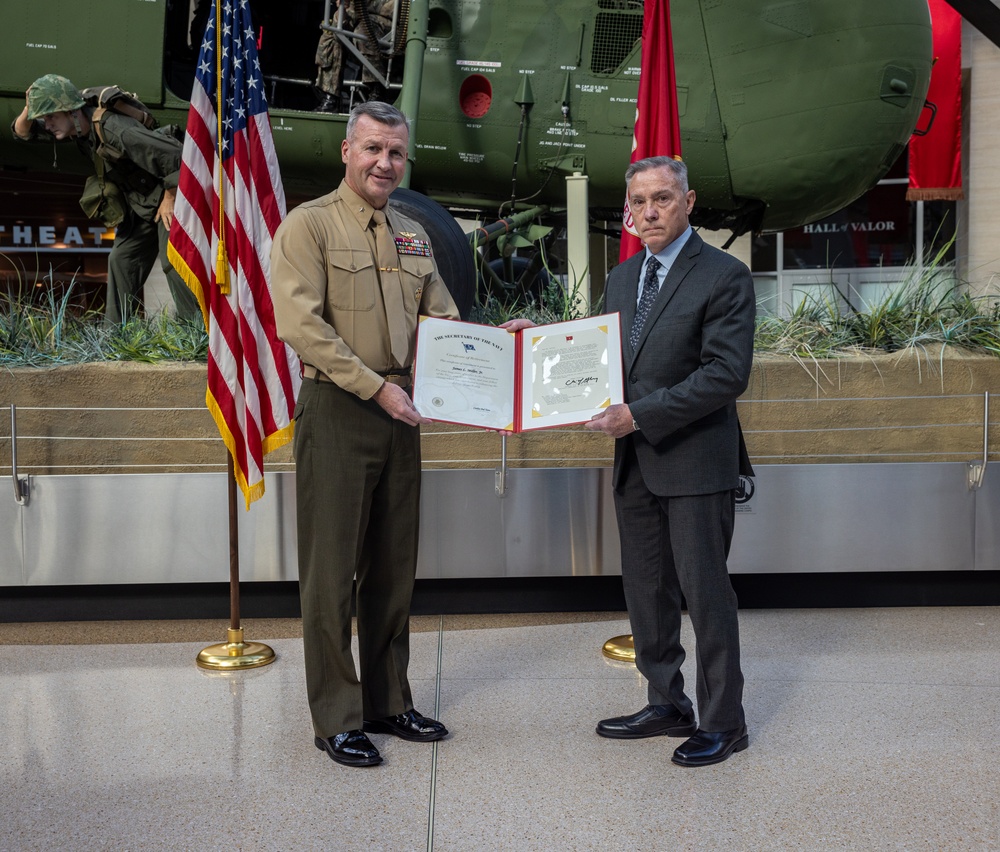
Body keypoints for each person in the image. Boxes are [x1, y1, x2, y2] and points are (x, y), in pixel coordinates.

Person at [505, 156, 756, 767]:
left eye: (662, 199)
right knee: (647, 590)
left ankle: (725, 721)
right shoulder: (622, 278)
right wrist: (538, 344)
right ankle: (667, 703)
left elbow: (726, 374)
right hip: (635, 462)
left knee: (705, 592)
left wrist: (637, 415)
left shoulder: (724, 275)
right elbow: (599, 356)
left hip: (695, 461)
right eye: (638, 202)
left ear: (688, 202)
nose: (648, 212)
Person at [270, 101, 459, 768]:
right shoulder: (308, 227)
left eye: (396, 152)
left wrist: (498, 351)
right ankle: (337, 717)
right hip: (341, 408)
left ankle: (388, 700)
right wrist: (376, 387)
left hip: (401, 411)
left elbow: (443, 322)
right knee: (331, 575)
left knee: (392, 569)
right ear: (346, 152)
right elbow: (303, 326)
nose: (385, 162)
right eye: (373, 149)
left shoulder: (411, 234)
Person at [11, 74, 201, 324]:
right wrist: (30, 107)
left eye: (50, 117)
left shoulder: (114, 129)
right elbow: (23, 133)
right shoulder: (77, 128)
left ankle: (198, 334)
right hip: (141, 202)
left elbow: (178, 155)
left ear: (71, 112)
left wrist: (170, 196)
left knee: (172, 261)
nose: (47, 125)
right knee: (121, 259)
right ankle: (118, 337)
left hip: (168, 195)